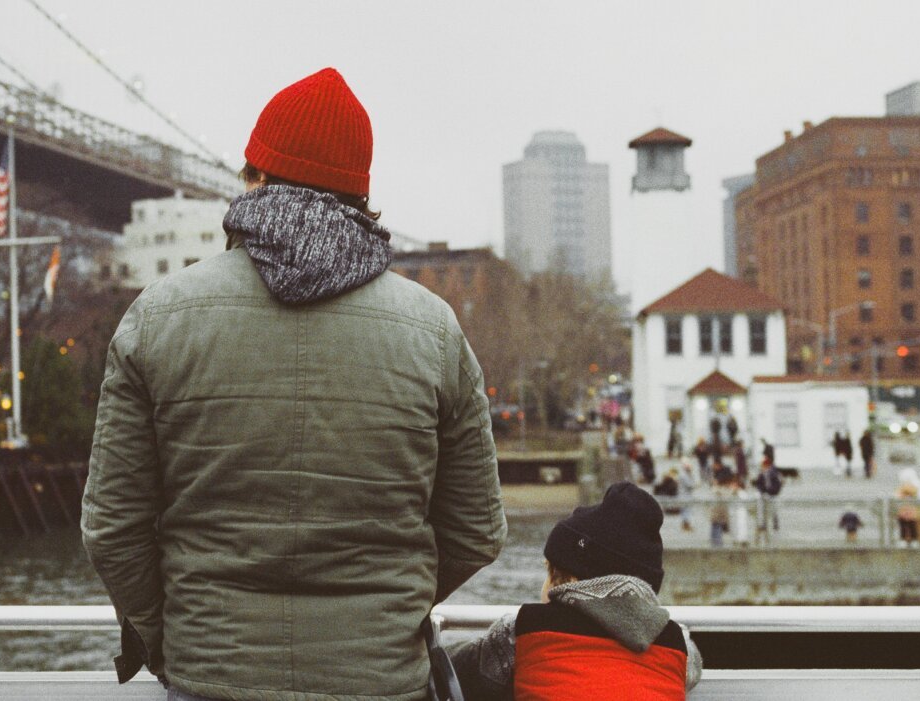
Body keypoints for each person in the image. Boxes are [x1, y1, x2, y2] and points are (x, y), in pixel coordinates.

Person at [82, 68, 506, 700]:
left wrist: (173, 640)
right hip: (380, 682)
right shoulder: (435, 331)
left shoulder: (157, 317)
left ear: (255, 177)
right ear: (360, 195)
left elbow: (112, 527)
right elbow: (477, 530)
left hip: (211, 678)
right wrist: (385, 612)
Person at [448, 483, 701, 700]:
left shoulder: (523, 630)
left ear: (564, 581)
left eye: (548, 572)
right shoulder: (678, 646)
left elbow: (457, 671)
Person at [894, 467, 920, 548]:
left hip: (910, 510)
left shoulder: (914, 485)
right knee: (910, 525)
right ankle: (913, 539)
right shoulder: (917, 485)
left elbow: (897, 496)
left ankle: (912, 539)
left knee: (911, 525)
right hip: (909, 510)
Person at [752, 458, 785, 534]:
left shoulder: (774, 474)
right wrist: (762, 491)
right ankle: (763, 524)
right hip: (764, 495)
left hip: (773, 494)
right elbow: (758, 484)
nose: (762, 467)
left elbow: (778, 485)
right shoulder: (761, 474)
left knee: (774, 510)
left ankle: (775, 526)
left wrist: (771, 492)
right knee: (763, 509)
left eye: (763, 466)